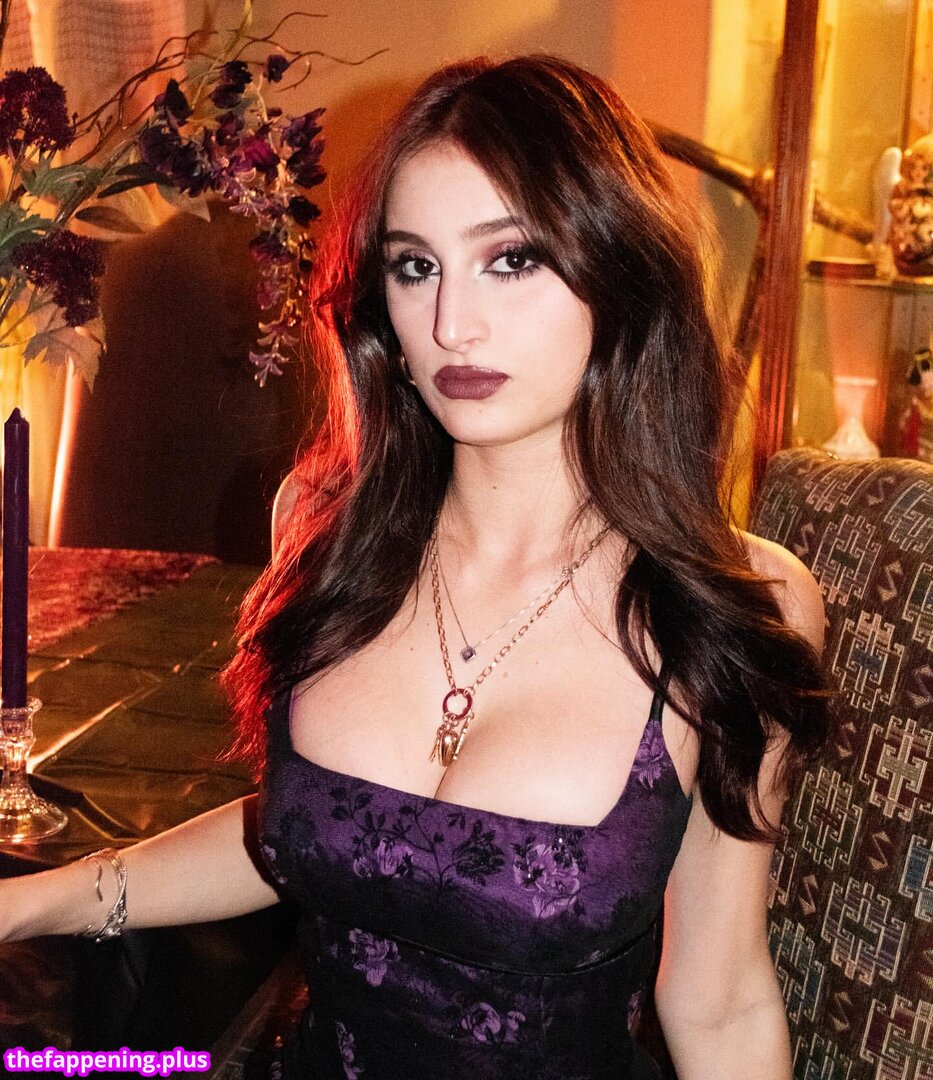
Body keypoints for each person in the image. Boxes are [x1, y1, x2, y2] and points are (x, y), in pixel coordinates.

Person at [1, 55, 829, 1079]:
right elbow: (314, 827)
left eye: (511, 259)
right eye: (414, 266)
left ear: (619, 271)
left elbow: (721, 1002)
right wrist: (36, 900)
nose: (451, 326)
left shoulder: (732, 604)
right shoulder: (327, 527)